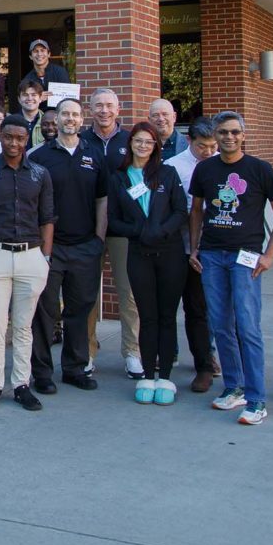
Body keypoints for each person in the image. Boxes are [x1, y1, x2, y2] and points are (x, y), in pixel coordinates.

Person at [189, 111, 273, 425]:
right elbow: (196, 211)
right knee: (220, 324)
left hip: (245, 257)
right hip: (212, 256)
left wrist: (269, 254)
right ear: (215, 136)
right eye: (223, 132)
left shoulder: (259, 169)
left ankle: (257, 399)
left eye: (234, 132)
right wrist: (195, 247)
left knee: (247, 326)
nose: (228, 137)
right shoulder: (205, 169)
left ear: (243, 135)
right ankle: (234, 387)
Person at [0, 113, 55, 412]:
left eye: (20, 138)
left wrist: (44, 257)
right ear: (0, 136)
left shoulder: (40, 174)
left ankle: (21, 384)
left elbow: (47, 219)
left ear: (26, 139)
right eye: (8, 137)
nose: (14, 143)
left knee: (23, 326)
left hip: (31, 256)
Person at [26, 98, 106, 393]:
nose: (70, 119)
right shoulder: (40, 156)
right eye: (65, 114)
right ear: (55, 119)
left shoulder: (94, 154)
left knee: (80, 311)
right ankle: (42, 372)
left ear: (81, 119)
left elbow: (103, 199)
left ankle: (75, 368)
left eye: (75, 114)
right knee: (45, 313)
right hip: (50, 249)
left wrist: (98, 239)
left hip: (85, 246)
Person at [108, 122, 188, 405]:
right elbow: (114, 219)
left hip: (170, 254)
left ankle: (164, 376)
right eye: (138, 141)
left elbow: (181, 211)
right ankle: (147, 374)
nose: (143, 146)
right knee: (147, 316)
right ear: (131, 143)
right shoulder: (119, 177)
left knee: (167, 316)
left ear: (156, 146)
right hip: (139, 254)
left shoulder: (167, 173)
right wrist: (139, 231)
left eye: (149, 142)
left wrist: (161, 230)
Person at [80, 87, 136, 375]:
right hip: (87, 228)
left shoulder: (130, 141)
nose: (104, 110)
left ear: (118, 109)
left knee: (128, 292)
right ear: (90, 109)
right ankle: (88, 352)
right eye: (98, 105)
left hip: (123, 228)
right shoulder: (81, 141)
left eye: (109, 106)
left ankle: (132, 351)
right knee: (89, 293)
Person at [166, 117, 221, 392]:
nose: (209, 152)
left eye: (213, 146)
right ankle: (168, 359)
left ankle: (204, 364)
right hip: (179, 249)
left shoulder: (224, 164)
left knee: (201, 310)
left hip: (213, 249)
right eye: (203, 147)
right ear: (190, 141)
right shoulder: (173, 167)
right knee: (175, 308)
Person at [22, 39, 71, 103]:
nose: (39, 54)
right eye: (35, 51)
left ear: (49, 54)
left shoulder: (60, 72)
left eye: (42, 50)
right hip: (37, 112)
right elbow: (24, 104)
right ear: (30, 56)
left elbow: (69, 98)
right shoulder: (27, 79)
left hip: (59, 111)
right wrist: (38, 99)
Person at [16, 78, 45, 147]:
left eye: (34, 95)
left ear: (40, 98)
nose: (29, 98)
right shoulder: (12, 122)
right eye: (25, 95)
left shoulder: (47, 122)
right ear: (19, 99)